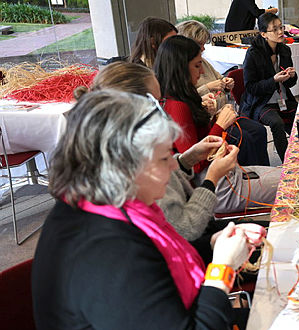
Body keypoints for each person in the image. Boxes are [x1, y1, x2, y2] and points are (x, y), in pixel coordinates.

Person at [33, 89, 265, 330]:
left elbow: (161, 261)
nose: (174, 168)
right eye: (163, 158)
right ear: (125, 168)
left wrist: (211, 246)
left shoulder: (106, 207)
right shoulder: (104, 251)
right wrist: (222, 269)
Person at [72, 62, 241, 253]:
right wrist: (212, 179)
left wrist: (187, 159)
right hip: (189, 251)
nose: (162, 108)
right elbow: (185, 230)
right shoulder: (133, 161)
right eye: (158, 102)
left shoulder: (122, 142)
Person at [153, 35, 281, 212]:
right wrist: (220, 124)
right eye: (197, 65)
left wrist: (212, 117)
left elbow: (199, 141)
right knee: (293, 184)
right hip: (218, 187)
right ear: (181, 68)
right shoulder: (177, 106)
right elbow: (195, 165)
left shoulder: (181, 98)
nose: (202, 72)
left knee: (289, 175)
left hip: (225, 177)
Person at [240, 12, 298, 161]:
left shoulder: (284, 50)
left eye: (281, 27)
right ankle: (287, 162)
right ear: (264, 34)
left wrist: (291, 76)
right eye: (275, 29)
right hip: (261, 102)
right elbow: (251, 87)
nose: (280, 32)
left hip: (283, 98)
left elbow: (291, 84)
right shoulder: (253, 54)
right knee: (276, 122)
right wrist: (273, 80)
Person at [176, 20, 235, 109]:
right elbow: (183, 101)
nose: (203, 49)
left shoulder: (202, 61)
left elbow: (219, 78)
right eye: (200, 44)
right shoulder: (177, 68)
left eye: (204, 44)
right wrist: (208, 87)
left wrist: (226, 83)